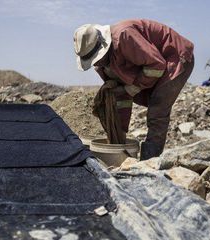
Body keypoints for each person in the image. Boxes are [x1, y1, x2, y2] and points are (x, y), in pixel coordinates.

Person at [74, 19, 194, 160]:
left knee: (158, 107)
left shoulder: (124, 37)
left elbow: (156, 66)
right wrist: (120, 133)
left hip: (174, 56)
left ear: (103, 47)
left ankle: (149, 161)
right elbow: (121, 96)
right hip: (152, 62)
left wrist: (132, 88)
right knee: (123, 92)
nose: (97, 63)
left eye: (97, 59)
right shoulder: (102, 65)